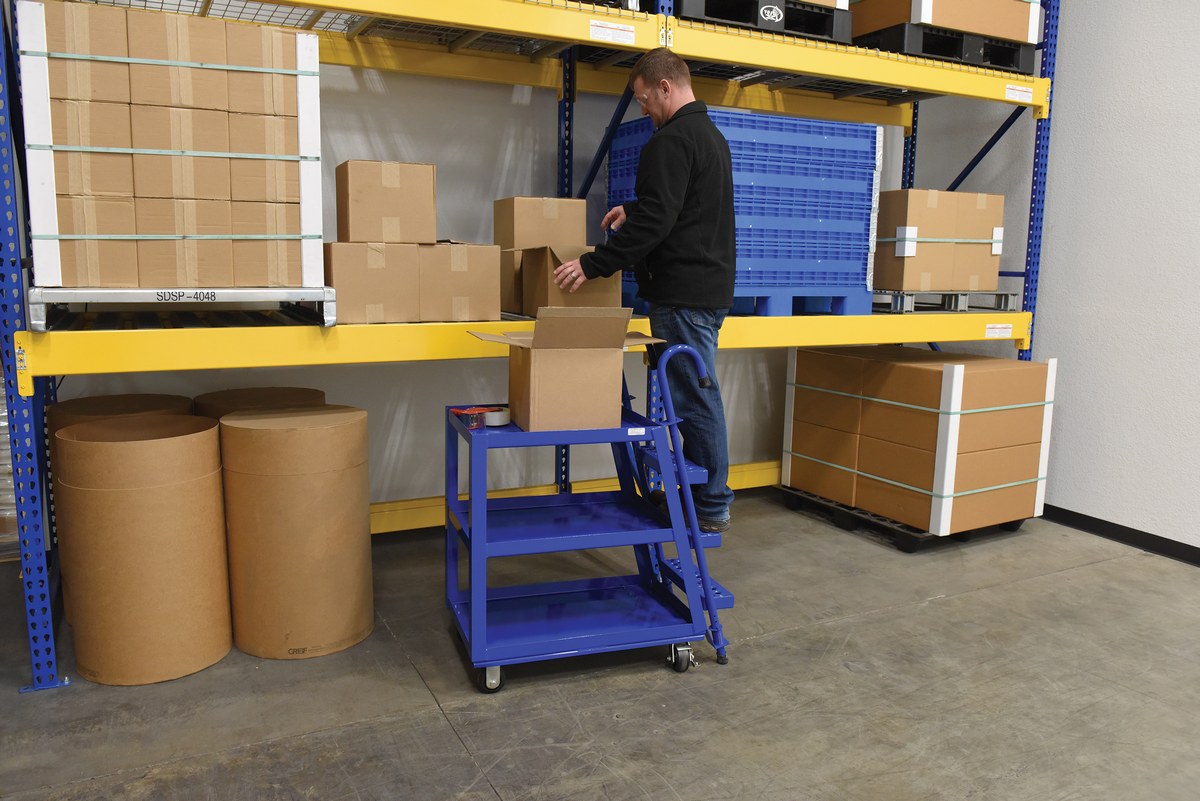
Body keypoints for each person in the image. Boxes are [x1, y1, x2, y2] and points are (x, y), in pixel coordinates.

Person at [553, 47, 735, 533]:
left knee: (694, 399)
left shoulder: (669, 141)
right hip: (705, 290)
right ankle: (701, 498)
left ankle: (711, 505)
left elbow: (658, 221)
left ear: (665, 87)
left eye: (643, 99)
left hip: (683, 296)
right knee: (696, 393)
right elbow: (682, 206)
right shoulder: (710, 136)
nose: (643, 108)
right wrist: (633, 208)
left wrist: (593, 264)